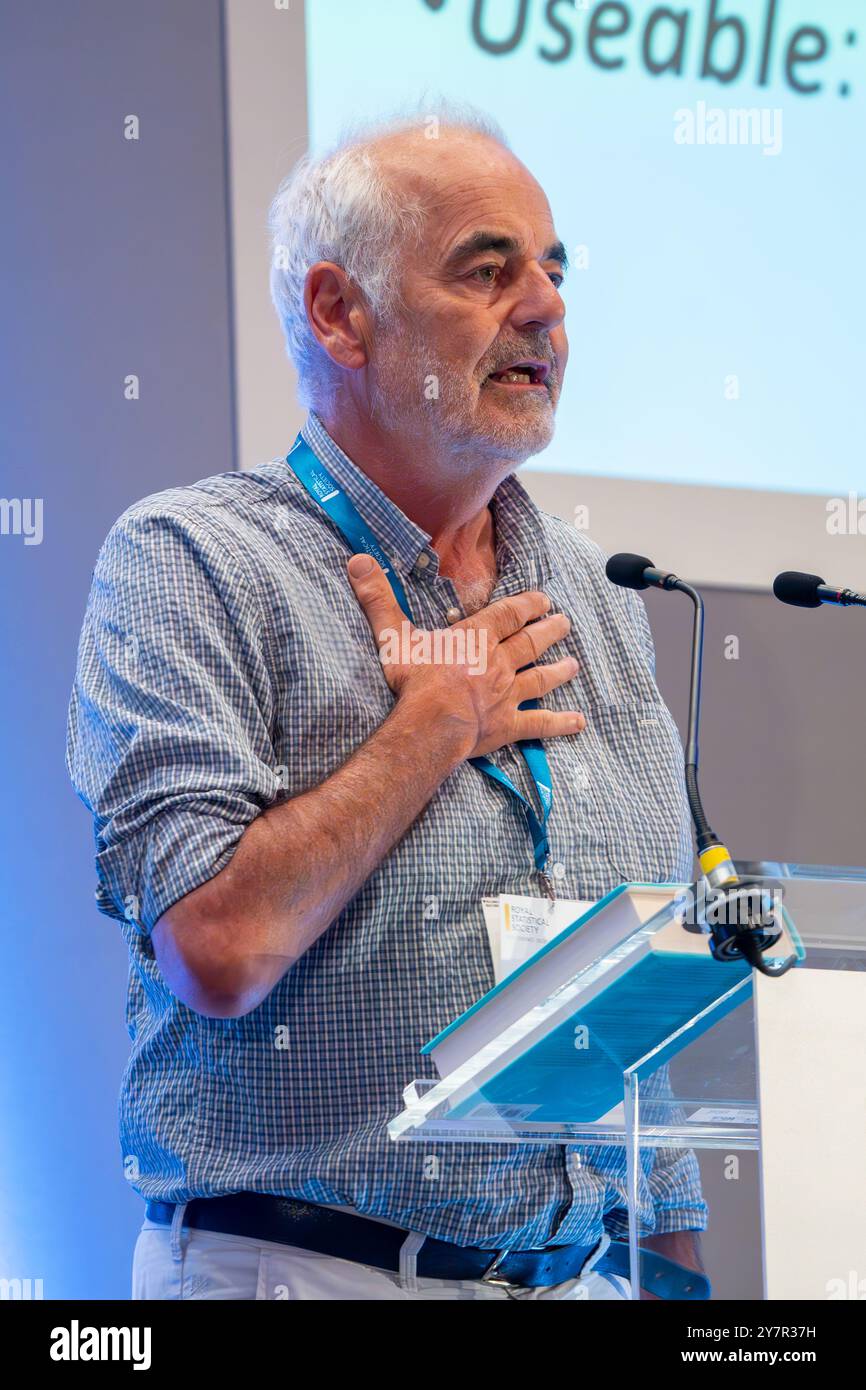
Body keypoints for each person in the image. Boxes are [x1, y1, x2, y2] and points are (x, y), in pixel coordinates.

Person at [67, 105, 707, 1300]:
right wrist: (431, 727)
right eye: (487, 268)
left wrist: (675, 1288)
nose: (546, 307)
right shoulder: (190, 561)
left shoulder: (599, 595)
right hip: (306, 1271)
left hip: (575, 1280)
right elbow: (217, 947)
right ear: (336, 313)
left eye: (554, 270)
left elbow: (627, 1013)